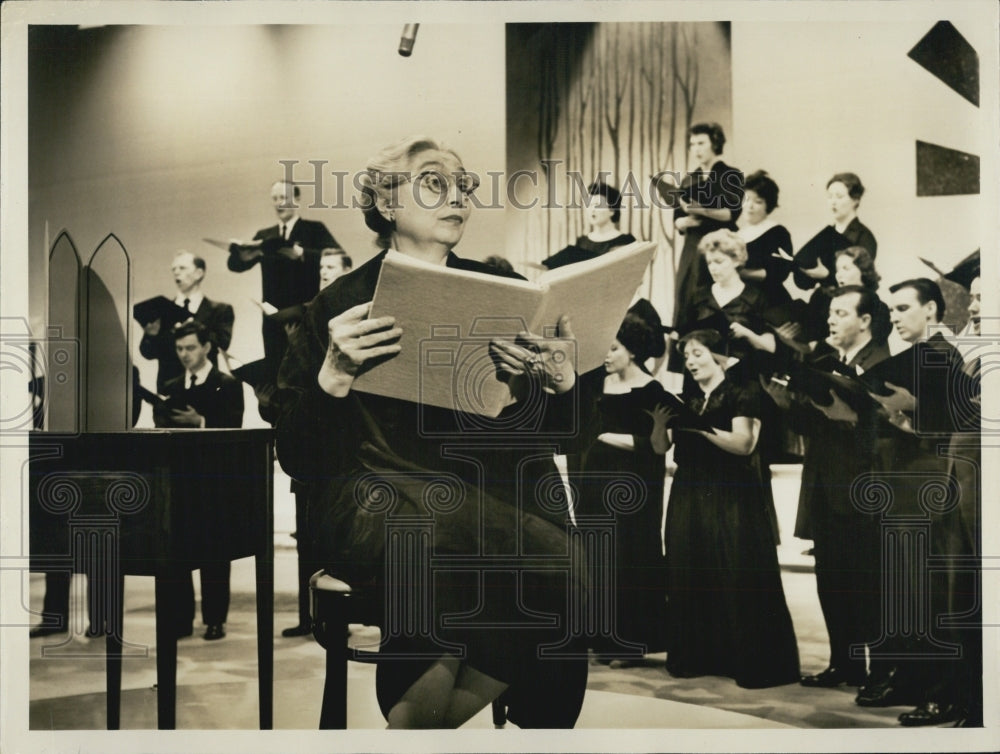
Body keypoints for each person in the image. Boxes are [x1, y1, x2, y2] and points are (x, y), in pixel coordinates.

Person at [275, 136, 589, 728]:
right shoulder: (336, 307)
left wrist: (560, 385)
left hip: (486, 496)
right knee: (442, 542)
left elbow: (549, 439)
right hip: (379, 499)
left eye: (464, 184)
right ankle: (418, 728)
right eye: (434, 182)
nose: (459, 196)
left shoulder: (504, 293)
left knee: (561, 557)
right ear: (386, 205)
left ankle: (422, 729)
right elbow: (295, 452)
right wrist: (334, 376)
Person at [856, 278, 972, 714]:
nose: (896, 316)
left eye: (904, 307)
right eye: (893, 308)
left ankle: (937, 688)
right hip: (902, 479)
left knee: (928, 588)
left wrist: (914, 406)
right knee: (904, 587)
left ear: (932, 310)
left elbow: (960, 424)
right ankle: (909, 679)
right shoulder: (914, 357)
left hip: (927, 483)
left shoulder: (944, 355)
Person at [765, 286, 890, 690]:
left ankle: (882, 671)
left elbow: (883, 433)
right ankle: (846, 663)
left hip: (863, 488)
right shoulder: (829, 361)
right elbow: (817, 426)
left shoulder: (884, 362)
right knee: (833, 581)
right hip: (825, 483)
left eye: (840, 313)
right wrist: (788, 405)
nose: (831, 320)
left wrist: (849, 418)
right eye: (831, 313)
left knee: (868, 586)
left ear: (865, 320)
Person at [661, 329, 800, 688]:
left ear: (719, 357)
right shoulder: (688, 396)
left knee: (735, 571)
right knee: (689, 568)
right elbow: (663, 446)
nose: (690, 362)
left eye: (698, 354)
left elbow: (744, 444)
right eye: (687, 356)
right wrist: (661, 424)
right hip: (689, 491)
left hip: (730, 494)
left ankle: (750, 662)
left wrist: (700, 428)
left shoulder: (744, 391)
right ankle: (700, 656)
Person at [573, 301, 668, 665]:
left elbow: (653, 445)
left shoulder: (652, 390)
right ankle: (601, 637)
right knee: (597, 558)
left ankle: (630, 643)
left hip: (633, 489)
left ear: (633, 350)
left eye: (613, 348)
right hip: (595, 485)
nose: (607, 355)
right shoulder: (598, 385)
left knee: (630, 559)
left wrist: (600, 434)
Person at [154, 321, 244, 640]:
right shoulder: (172, 383)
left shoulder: (228, 383)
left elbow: (234, 427)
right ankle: (180, 619)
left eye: (190, 347)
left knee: (214, 554)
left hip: (214, 482)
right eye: (179, 349)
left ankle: (215, 619)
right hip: (180, 480)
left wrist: (201, 422)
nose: (184, 354)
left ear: (206, 347)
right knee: (177, 551)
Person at [228, 180, 339, 374]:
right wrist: (241, 253)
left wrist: (301, 252)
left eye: (284, 198)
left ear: (296, 200)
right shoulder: (265, 235)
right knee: (276, 369)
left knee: (306, 370)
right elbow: (236, 266)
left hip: (304, 314)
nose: (279, 203)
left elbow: (338, 257)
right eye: (275, 198)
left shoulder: (314, 229)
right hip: (272, 316)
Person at [670, 122, 744, 326]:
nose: (696, 149)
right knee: (686, 296)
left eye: (701, 143)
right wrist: (684, 220)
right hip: (692, 247)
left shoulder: (730, 175)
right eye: (692, 144)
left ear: (715, 143)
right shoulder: (688, 180)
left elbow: (730, 214)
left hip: (720, 244)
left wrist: (700, 210)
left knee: (714, 297)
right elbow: (677, 220)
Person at [139, 251, 234, 393]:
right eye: (174, 269)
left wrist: (191, 326)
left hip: (205, 390)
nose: (176, 273)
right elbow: (148, 353)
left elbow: (222, 343)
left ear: (199, 273)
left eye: (182, 268)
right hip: (169, 388)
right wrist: (151, 335)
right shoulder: (162, 310)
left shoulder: (220, 310)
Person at [792, 173, 876, 291]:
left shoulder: (864, 236)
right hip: (823, 299)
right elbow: (805, 283)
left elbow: (863, 282)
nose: (833, 202)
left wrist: (826, 276)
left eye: (839, 196)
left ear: (855, 200)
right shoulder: (826, 235)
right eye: (830, 196)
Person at [540, 181, 636, 270]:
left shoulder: (626, 241)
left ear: (612, 210)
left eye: (597, 205)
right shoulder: (582, 242)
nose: (592, 209)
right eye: (589, 205)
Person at [737, 170, 793, 308]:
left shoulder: (778, 232)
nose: (750, 206)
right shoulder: (735, 234)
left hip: (769, 300)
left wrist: (743, 274)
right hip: (740, 299)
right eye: (747, 199)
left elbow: (781, 272)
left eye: (758, 201)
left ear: (768, 205)